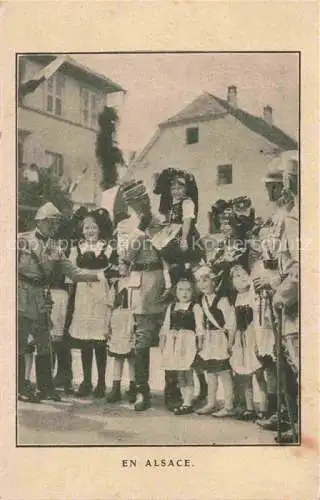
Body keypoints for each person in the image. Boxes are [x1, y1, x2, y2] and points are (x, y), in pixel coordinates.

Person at [18, 202, 106, 403]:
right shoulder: (21, 240)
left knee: (44, 343)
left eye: (56, 224)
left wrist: (100, 276)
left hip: (41, 297)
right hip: (21, 294)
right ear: (39, 222)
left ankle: (46, 387)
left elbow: (73, 272)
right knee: (21, 342)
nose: (53, 227)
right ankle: (20, 387)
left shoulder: (55, 248)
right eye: (50, 223)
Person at [66, 207, 118, 398]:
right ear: (82, 230)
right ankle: (86, 381)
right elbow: (70, 275)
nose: (90, 231)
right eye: (86, 227)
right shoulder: (75, 249)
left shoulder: (108, 248)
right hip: (82, 297)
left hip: (100, 296)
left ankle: (102, 382)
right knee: (85, 341)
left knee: (99, 340)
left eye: (93, 227)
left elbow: (114, 274)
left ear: (99, 229)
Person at [119, 210, 167, 411]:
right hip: (141, 291)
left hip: (162, 285)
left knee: (171, 339)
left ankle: (173, 390)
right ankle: (141, 389)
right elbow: (125, 256)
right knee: (141, 342)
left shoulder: (162, 223)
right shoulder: (132, 229)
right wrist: (140, 230)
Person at [194, 263, 237, 417]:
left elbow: (231, 324)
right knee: (210, 373)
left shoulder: (222, 300)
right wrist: (200, 342)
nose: (202, 284)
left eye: (205, 280)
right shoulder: (200, 301)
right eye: (199, 281)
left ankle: (229, 405)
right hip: (208, 340)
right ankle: (211, 403)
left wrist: (230, 342)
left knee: (224, 373)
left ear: (214, 281)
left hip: (220, 339)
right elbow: (199, 325)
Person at [159, 271, 204, 415]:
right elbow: (166, 326)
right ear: (175, 292)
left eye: (188, 290)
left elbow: (200, 328)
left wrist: (200, 344)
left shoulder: (195, 307)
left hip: (188, 343)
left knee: (188, 372)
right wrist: (163, 343)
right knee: (179, 373)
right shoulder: (171, 307)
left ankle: (188, 402)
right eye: (181, 290)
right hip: (174, 343)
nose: (184, 293)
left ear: (193, 291)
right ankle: (184, 400)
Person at [229, 265, 268, 420]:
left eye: (243, 274)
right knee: (245, 375)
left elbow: (259, 319)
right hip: (241, 338)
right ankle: (249, 407)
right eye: (236, 276)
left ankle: (264, 408)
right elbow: (233, 322)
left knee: (258, 373)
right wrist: (230, 341)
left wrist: (259, 341)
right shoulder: (237, 298)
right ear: (232, 282)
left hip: (253, 336)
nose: (241, 278)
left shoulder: (254, 295)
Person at [152, 168, 205, 284]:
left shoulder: (187, 202)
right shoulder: (175, 203)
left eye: (180, 188)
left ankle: (188, 277)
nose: (176, 191)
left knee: (182, 256)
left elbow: (186, 221)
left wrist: (184, 239)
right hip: (174, 230)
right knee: (162, 250)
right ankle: (172, 278)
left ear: (186, 189)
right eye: (174, 189)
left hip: (184, 232)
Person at [106, 278, 136, 403]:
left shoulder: (135, 282)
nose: (121, 267)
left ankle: (133, 387)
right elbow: (109, 305)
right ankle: (116, 387)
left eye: (124, 264)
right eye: (119, 264)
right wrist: (107, 323)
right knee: (118, 356)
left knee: (132, 357)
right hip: (118, 321)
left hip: (131, 319)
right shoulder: (116, 284)